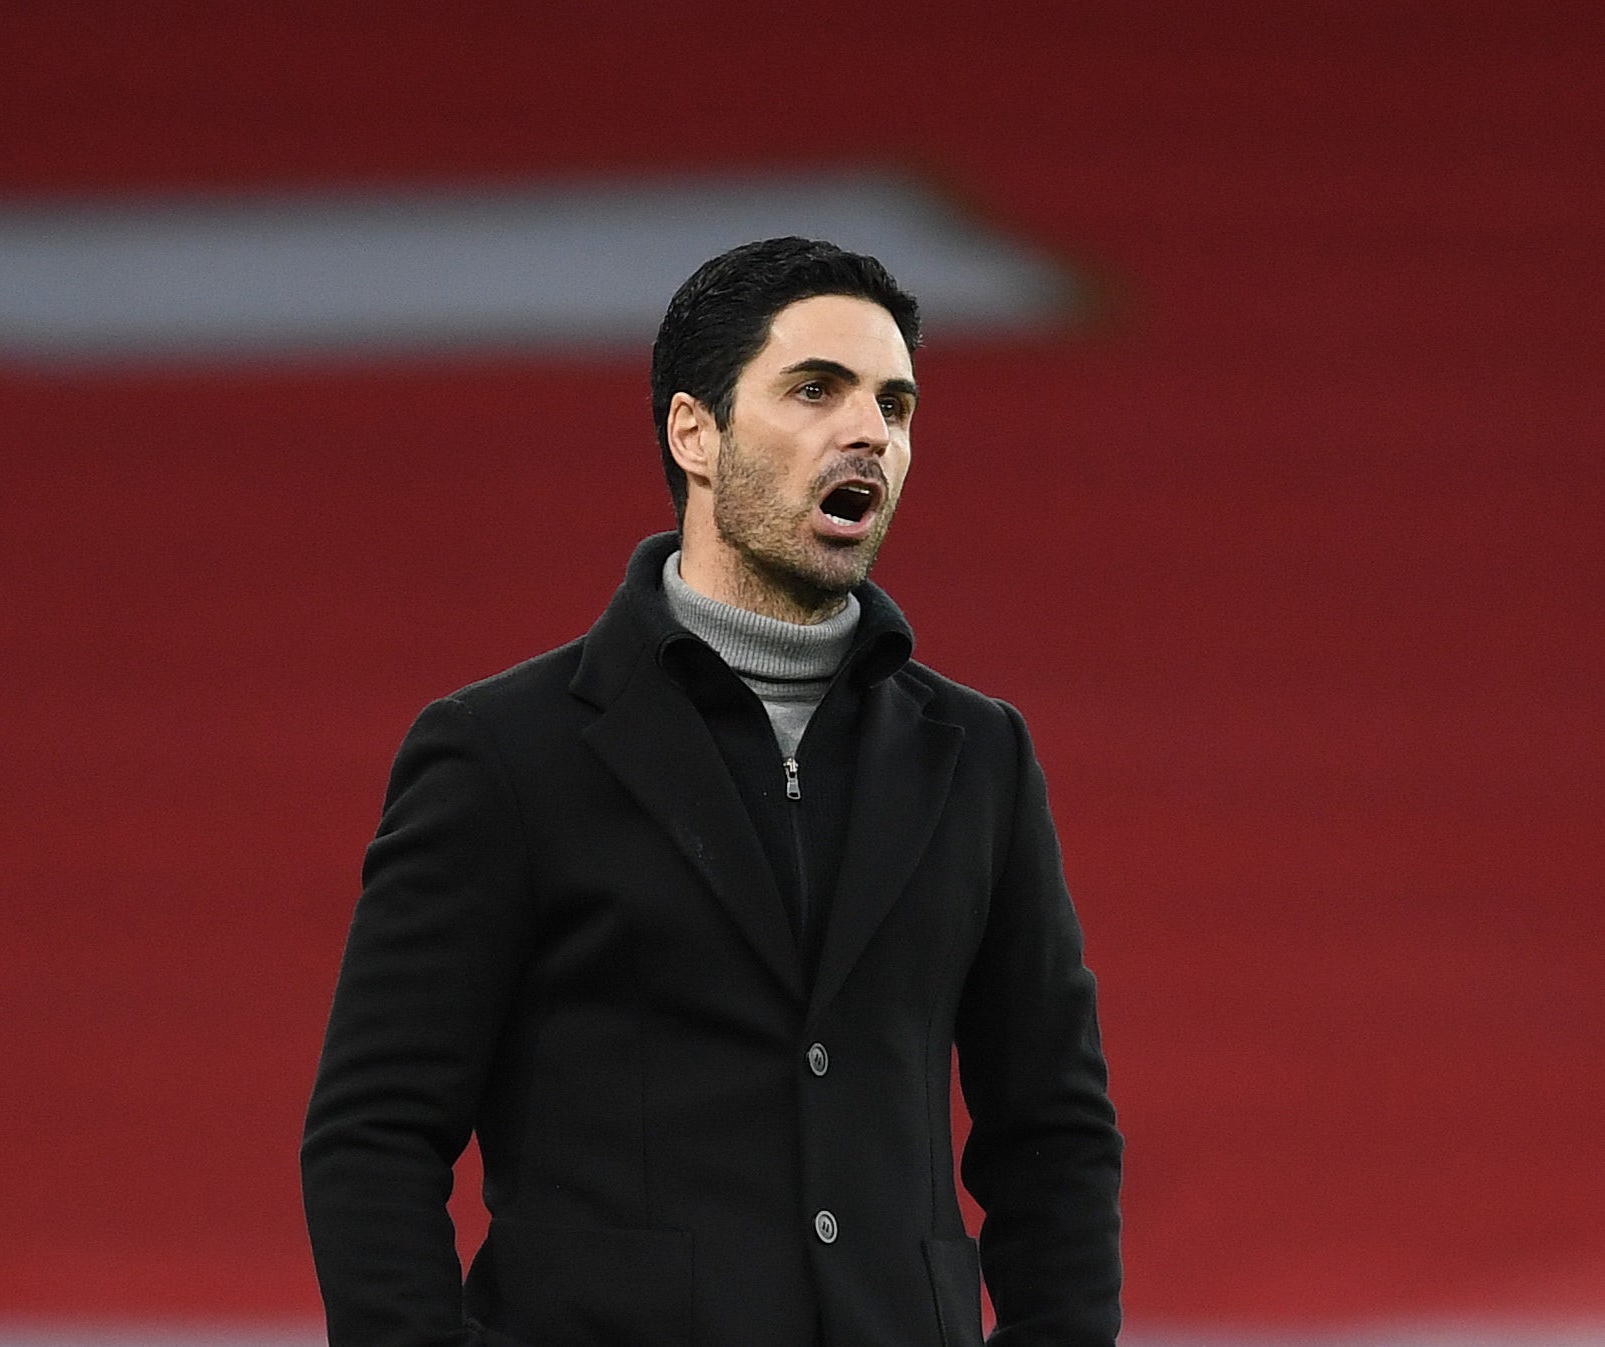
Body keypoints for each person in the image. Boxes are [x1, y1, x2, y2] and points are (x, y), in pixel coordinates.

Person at [301, 236, 1123, 1347]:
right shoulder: (504, 752)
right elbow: (375, 1133)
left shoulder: (977, 756)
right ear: (696, 432)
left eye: (895, 403)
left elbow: (1052, 1132)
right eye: (815, 389)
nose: (868, 432)